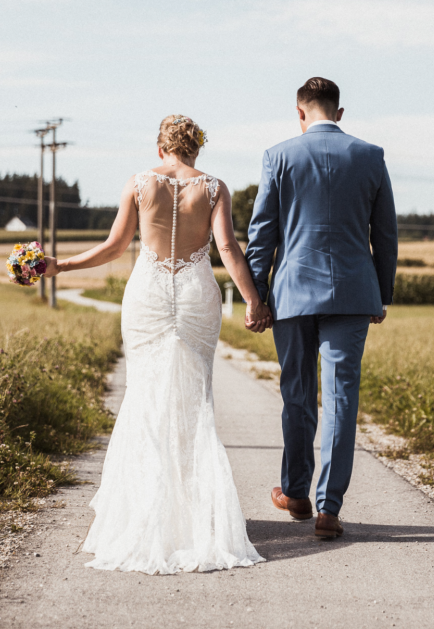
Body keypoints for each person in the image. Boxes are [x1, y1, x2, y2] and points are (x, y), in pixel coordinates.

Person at [43, 115, 269, 574]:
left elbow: (112, 247)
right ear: (196, 148)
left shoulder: (139, 183)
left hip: (146, 295)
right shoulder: (214, 188)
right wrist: (253, 301)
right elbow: (226, 248)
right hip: (194, 296)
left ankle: (140, 512)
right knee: (194, 403)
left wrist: (60, 266)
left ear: (161, 146)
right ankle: (192, 518)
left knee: (144, 395)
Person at [245, 77, 398, 539]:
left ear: (299, 112)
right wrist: (381, 293)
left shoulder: (278, 156)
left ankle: (295, 492)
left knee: (297, 394)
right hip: (353, 294)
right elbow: (385, 234)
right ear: (339, 112)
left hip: (292, 294)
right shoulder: (370, 156)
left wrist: (256, 296)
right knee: (340, 398)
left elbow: (261, 235)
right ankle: (329, 508)